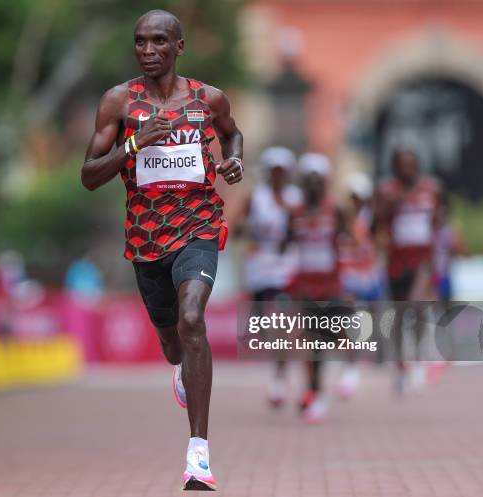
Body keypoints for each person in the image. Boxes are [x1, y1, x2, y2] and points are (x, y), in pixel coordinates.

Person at [81, 9, 243, 491]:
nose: (148, 51)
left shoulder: (207, 99)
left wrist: (233, 160)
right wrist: (132, 146)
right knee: (174, 339)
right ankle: (180, 367)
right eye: (140, 42)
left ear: (178, 46)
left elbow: (232, 134)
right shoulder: (118, 103)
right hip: (147, 239)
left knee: (193, 317)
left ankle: (199, 455)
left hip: (199, 226)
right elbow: (88, 176)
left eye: (158, 42)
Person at [375, 147, 443, 393]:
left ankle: (418, 358)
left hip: (422, 259)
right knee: (400, 314)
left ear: (417, 165)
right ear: (395, 167)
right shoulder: (386, 191)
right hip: (397, 261)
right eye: (402, 165)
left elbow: (439, 219)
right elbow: (377, 224)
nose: (407, 169)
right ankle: (401, 364)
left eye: (411, 164)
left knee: (418, 304)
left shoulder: (431, 188)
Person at [238, 146, 302, 407]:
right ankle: (279, 367)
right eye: (273, 171)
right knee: (265, 329)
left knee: (280, 321)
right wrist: (250, 232)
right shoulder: (255, 198)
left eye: (281, 172)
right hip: (260, 270)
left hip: (286, 267)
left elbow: (307, 226)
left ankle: (279, 380)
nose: (277, 176)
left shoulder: (296, 198)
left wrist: (291, 215)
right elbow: (238, 227)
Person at [287, 153, 347, 423]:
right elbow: (284, 244)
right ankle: (314, 390)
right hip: (305, 286)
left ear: (324, 183)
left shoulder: (336, 211)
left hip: (330, 284)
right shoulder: (295, 213)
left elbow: (352, 240)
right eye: (307, 180)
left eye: (317, 180)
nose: (312, 186)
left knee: (330, 336)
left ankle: (343, 368)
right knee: (309, 340)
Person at [336, 172, 383, 399]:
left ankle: (358, 364)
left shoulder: (370, 219)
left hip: (366, 278)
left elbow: (375, 241)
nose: (355, 201)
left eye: (359, 197)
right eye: (352, 197)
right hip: (346, 277)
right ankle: (351, 367)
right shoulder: (342, 218)